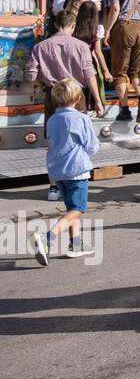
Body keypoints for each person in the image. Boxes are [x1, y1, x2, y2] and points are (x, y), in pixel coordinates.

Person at [30, 79, 99, 265]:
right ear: (78, 98)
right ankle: (47, 238)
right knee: (78, 209)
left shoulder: (52, 119)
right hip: (76, 169)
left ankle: (76, 244)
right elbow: (91, 147)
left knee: (71, 209)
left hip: (57, 171)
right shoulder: (81, 119)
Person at [27, 8, 104, 129]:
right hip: (75, 95)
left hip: (53, 94)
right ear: (73, 25)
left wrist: (37, 85)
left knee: (54, 134)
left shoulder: (40, 47)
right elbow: (89, 75)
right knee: (77, 131)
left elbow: (31, 73)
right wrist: (98, 100)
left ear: (56, 24)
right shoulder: (82, 46)